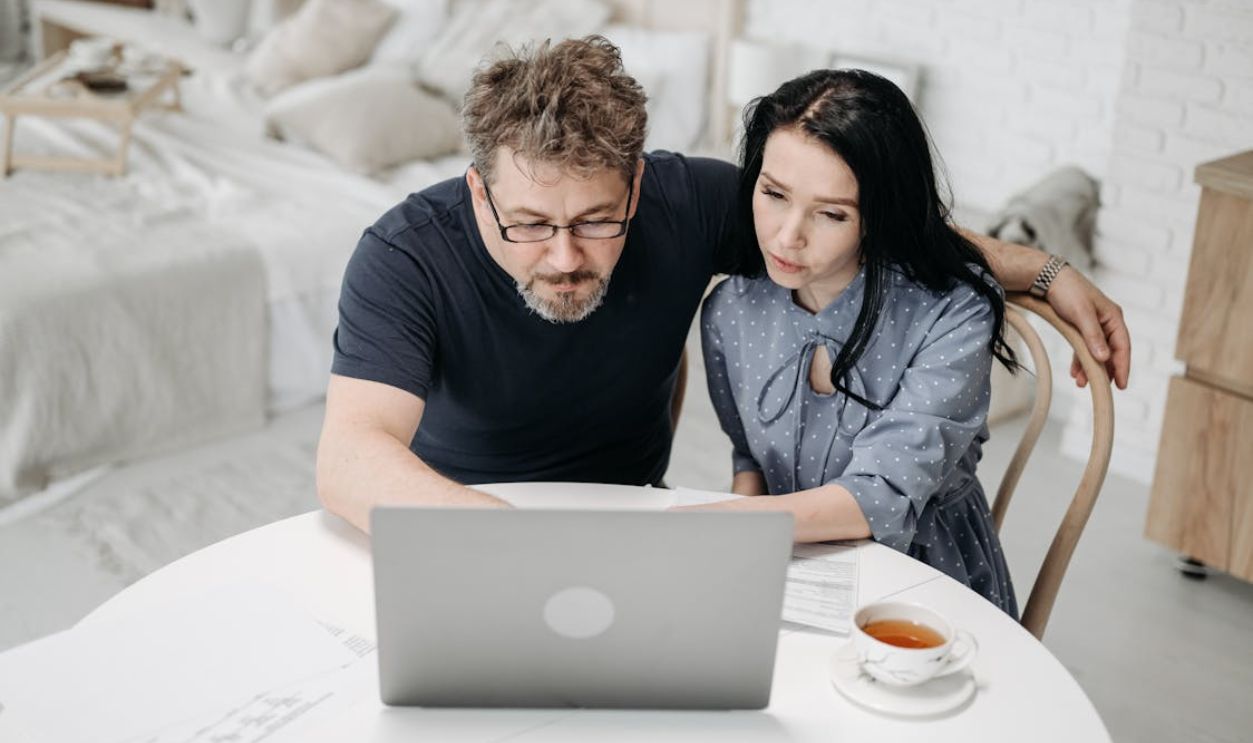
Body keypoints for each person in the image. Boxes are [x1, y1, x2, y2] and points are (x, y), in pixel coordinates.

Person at [316, 37, 1131, 537]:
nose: (563, 256)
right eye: (528, 223)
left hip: (636, 516)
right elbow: (352, 457)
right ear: (477, 191)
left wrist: (1042, 270)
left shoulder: (691, 202)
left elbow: (872, 218)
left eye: (596, 220)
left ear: (637, 186)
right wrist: (511, 540)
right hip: (457, 519)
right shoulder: (403, 254)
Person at [692, 69, 1021, 613]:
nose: (787, 236)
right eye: (773, 194)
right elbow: (750, 458)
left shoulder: (951, 312)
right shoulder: (731, 310)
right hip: (788, 564)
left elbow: (882, 492)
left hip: (925, 583)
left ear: (878, 215)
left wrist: (725, 523)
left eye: (831, 213)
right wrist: (742, 546)